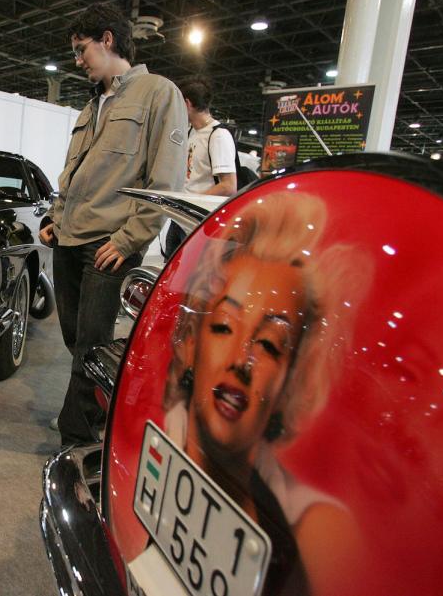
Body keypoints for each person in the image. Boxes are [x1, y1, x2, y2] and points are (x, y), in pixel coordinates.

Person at [161, 191, 371, 595]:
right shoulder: (146, 442)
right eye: (223, 326)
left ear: (291, 381)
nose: (243, 360)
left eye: (271, 344)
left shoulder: (317, 533)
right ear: (191, 342)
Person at [39, 2, 187, 445]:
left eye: (82, 49)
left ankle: (78, 437)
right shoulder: (92, 104)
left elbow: (165, 179)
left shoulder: (159, 93)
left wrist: (130, 239)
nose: (77, 60)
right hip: (69, 235)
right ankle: (101, 402)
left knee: (90, 342)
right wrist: (54, 217)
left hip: (109, 240)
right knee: (75, 336)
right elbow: (75, 171)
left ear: (108, 39)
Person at [163, 77, 238, 262]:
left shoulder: (218, 135)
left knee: (191, 279)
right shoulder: (191, 132)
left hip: (200, 223)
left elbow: (229, 186)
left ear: (187, 103)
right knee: (170, 274)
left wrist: (189, 202)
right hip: (181, 218)